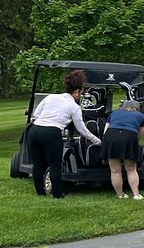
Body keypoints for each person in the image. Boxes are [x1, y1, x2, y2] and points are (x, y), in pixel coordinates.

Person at [26, 69, 103, 199]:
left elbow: (36, 114)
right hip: (51, 132)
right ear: (77, 92)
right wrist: (98, 141)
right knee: (55, 164)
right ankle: (57, 193)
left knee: (38, 163)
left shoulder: (50, 97)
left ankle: (40, 192)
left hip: (34, 130)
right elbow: (82, 130)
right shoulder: (74, 107)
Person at [104, 98, 144, 199]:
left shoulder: (114, 113)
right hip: (129, 136)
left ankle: (120, 194)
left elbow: (105, 131)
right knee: (131, 169)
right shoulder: (141, 116)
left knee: (115, 170)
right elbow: (138, 136)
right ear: (137, 108)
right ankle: (136, 194)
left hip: (111, 137)